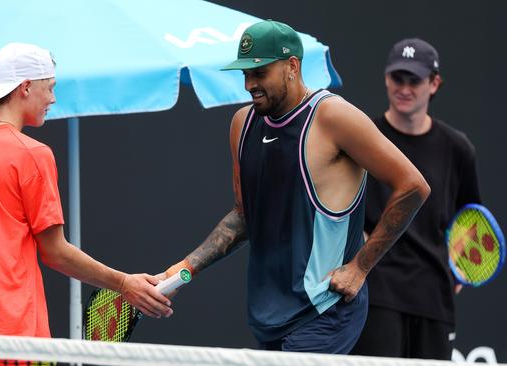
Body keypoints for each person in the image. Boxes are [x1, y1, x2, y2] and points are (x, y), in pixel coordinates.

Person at [162, 20, 431, 354]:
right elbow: (243, 216)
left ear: (292, 66)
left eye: (259, 73)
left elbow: (414, 186)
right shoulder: (241, 125)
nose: (249, 84)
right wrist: (186, 269)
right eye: (245, 74)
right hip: (268, 316)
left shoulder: (333, 117)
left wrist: (360, 267)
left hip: (325, 312)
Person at [0, 42, 173, 336]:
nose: (52, 98)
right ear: (25, 87)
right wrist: (124, 283)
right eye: (50, 87)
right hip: (12, 341)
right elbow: (56, 253)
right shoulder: (33, 154)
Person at [350, 38, 480, 360]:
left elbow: (470, 217)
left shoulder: (458, 148)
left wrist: (458, 271)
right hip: (376, 294)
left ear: (434, 83)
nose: (404, 88)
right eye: (398, 78)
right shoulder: (363, 137)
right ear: (385, 79)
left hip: (434, 298)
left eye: (414, 80)